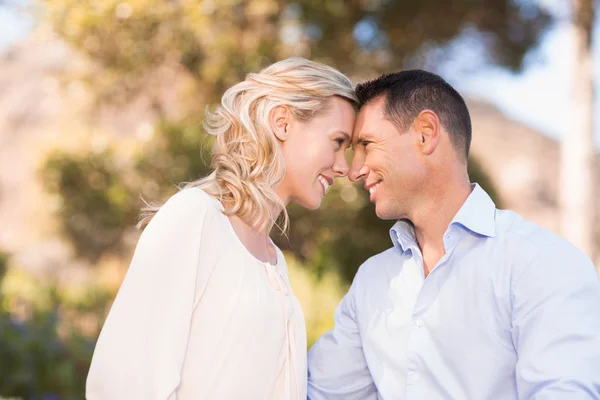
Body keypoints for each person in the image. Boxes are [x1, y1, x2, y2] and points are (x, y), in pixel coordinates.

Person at [307, 70, 600, 399]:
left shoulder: (544, 264)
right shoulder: (372, 280)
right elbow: (318, 392)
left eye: (366, 145)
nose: (354, 169)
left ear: (425, 134)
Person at [86, 57, 357, 400]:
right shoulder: (195, 217)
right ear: (283, 123)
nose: (344, 167)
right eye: (337, 142)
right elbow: (121, 382)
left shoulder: (275, 261)